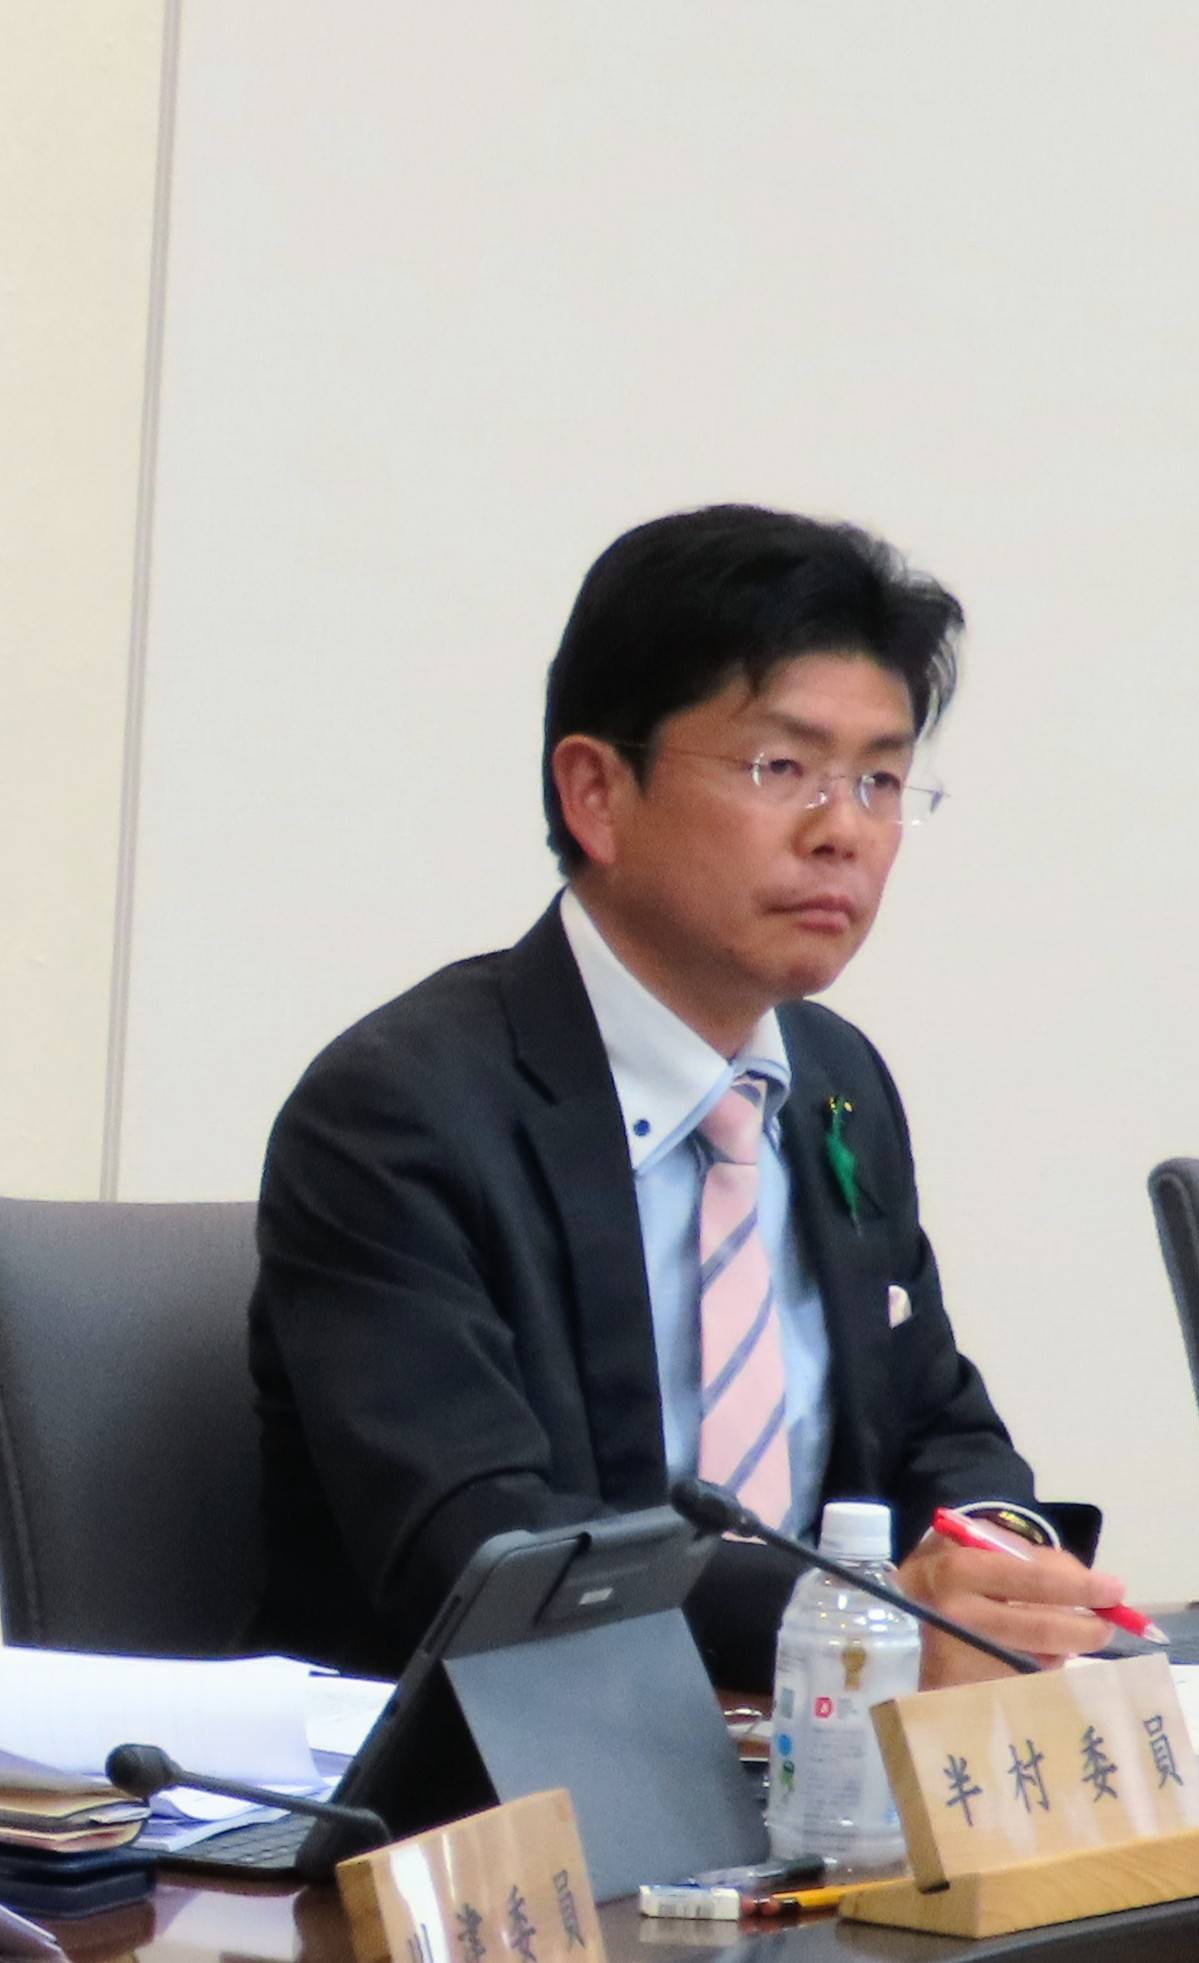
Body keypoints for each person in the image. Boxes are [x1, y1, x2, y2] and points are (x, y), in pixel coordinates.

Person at [248, 504, 1124, 1691]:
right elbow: (486, 1549)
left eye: (880, 779)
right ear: (597, 793)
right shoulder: (400, 1113)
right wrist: (857, 1620)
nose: (845, 832)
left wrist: (1005, 1568)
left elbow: (934, 1425)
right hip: (492, 1769)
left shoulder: (837, 1083)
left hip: (803, 1758)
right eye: (782, 768)